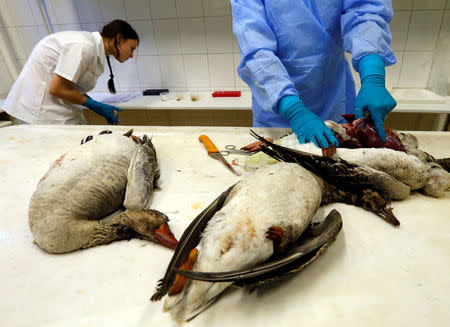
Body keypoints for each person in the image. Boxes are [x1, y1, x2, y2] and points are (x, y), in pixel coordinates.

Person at [230, 0, 397, 148]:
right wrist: (292, 109)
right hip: (276, 110)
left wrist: (372, 73)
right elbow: (255, 47)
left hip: (334, 100)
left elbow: (365, 10)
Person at [3, 19, 138, 125]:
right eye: (131, 48)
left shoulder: (92, 49)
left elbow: (71, 86)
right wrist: (95, 105)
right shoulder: (84, 46)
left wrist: (97, 106)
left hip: (55, 109)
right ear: (119, 38)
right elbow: (57, 89)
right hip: (41, 113)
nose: (131, 55)